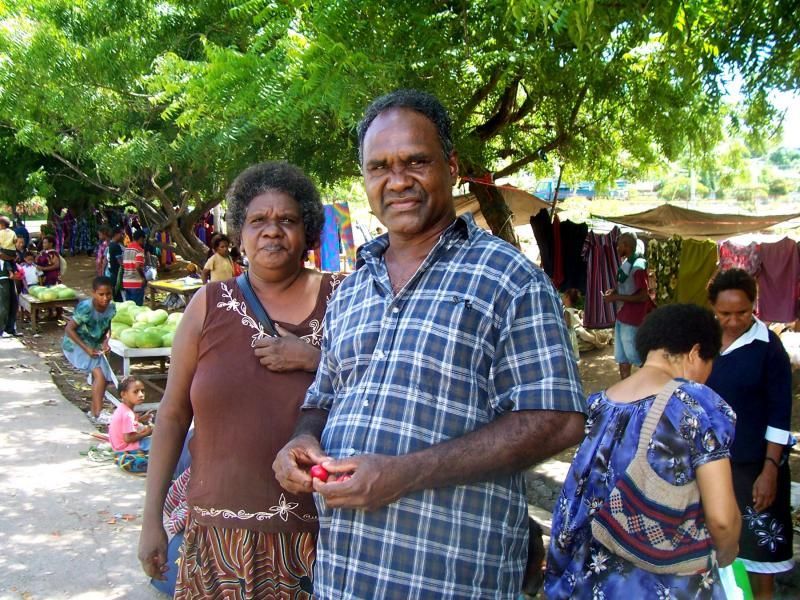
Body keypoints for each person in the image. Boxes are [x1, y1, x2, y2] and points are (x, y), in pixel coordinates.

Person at [273, 89, 585, 599]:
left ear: (453, 166)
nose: (397, 181)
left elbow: (558, 417)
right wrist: (301, 441)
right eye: (379, 167)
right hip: (346, 575)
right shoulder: (352, 289)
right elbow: (322, 399)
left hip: (451, 577)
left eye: (416, 161)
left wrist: (406, 474)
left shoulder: (509, 278)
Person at [139, 161, 339, 598]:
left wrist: (314, 357)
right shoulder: (207, 305)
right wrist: (151, 519)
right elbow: (172, 415)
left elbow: (378, 386)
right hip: (216, 535)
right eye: (257, 220)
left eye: (286, 219)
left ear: (307, 230)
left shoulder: (342, 299)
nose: (272, 230)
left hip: (319, 537)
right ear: (240, 233)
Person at [545, 303, 741, 598]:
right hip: (658, 585)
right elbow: (722, 519)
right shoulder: (694, 406)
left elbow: (574, 498)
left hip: (588, 580)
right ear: (694, 352)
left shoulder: (599, 404)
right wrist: (727, 552)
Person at [705, 269, 794, 599]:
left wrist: (770, 468)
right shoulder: (703, 342)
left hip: (754, 467)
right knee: (712, 550)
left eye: (742, 312)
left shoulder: (768, 347)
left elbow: (779, 413)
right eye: (724, 313)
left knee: (759, 554)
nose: (733, 321)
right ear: (712, 308)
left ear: (754, 305)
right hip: (709, 466)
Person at [62, 275, 116, 424]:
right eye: (101, 294)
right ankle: (98, 414)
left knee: (104, 377)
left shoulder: (112, 307)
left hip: (93, 345)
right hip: (76, 344)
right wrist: (86, 348)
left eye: (108, 294)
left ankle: (93, 411)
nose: (105, 298)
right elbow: (69, 329)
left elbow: (109, 328)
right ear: (93, 293)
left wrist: (106, 341)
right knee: (98, 374)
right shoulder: (86, 307)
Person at [603, 231, 652, 379]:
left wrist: (616, 296)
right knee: (622, 358)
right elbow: (627, 286)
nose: (617, 249)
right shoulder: (627, 264)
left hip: (632, 319)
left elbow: (644, 296)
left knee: (635, 355)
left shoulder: (638, 266)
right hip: (623, 316)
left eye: (618, 246)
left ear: (626, 245)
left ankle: (651, 386)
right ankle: (625, 390)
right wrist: (615, 291)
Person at [109, 376, 153, 453]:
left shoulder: (122, 408)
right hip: (125, 448)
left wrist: (141, 419)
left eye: (142, 391)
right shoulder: (128, 414)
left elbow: (126, 424)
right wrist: (146, 433)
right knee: (158, 442)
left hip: (117, 446)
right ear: (123, 395)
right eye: (136, 392)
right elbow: (128, 439)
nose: (141, 395)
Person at [0, 246, 21, 338]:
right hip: (3, 284)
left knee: (12, 306)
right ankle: (2, 329)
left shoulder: (9, 263)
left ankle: (11, 328)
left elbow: (14, 275)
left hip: (9, 283)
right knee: (3, 307)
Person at [122, 230, 146, 306]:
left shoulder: (127, 249)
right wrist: (143, 277)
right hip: (136, 282)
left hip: (126, 281)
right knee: (137, 307)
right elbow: (138, 266)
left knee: (130, 307)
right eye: (143, 240)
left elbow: (124, 264)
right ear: (141, 239)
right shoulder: (139, 250)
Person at [105, 227, 125, 302]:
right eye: (120, 234)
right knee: (118, 297)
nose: (122, 235)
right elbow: (121, 262)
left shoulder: (110, 245)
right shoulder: (116, 246)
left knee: (115, 296)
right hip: (116, 275)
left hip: (111, 273)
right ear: (116, 234)